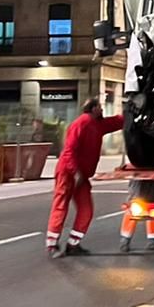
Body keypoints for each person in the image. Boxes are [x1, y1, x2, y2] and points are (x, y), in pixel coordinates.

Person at [45, 98, 124, 257]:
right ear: (93, 109)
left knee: (85, 209)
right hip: (69, 173)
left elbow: (116, 122)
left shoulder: (97, 125)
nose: (102, 110)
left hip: (79, 175)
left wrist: (130, 112)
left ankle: (73, 244)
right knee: (61, 206)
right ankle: (52, 245)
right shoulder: (81, 124)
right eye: (100, 107)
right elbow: (69, 151)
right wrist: (76, 172)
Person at [118, 177, 154, 253]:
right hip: (150, 183)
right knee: (153, 209)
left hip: (137, 184)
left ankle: (125, 240)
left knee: (133, 208)